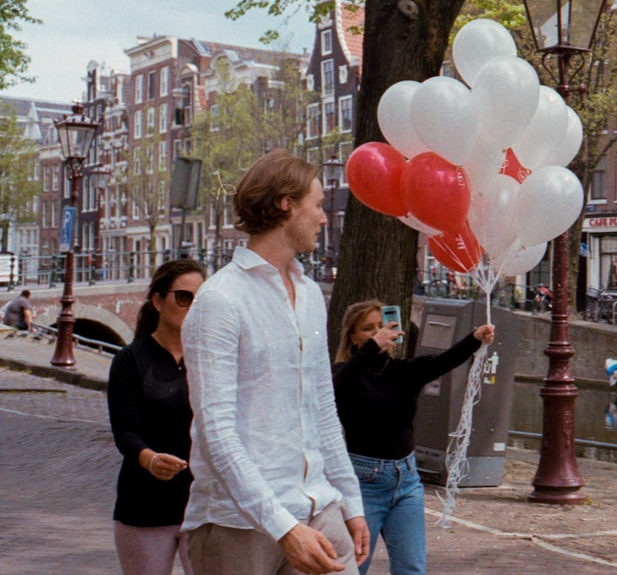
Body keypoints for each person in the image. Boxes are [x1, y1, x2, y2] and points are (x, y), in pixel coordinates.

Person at [181, 149, 369, 575]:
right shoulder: (220, 300)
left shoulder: (308, 296)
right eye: (318, 206)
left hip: (318, 509)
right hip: (237, 525)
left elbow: (322, 408)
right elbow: (216, 430)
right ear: (287, 204)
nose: (324, 219)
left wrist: (351, 500)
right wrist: (282, 527)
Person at [332, 300, 495, 574]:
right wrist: (372, 348)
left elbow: (444, 361)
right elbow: (334, 390)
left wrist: (475, 339)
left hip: (406, 481)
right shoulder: (344, 373)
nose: (377, 333)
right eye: (367, 329)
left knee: (412, 568)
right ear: (352, 337)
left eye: (381, 326)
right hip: (363, 483)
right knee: (352, 567)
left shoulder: (403, 371)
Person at [107, 259, 207, 575]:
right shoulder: (130, 360)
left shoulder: (212, 357)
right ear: (158, 301)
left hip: (204, 502)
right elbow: (125, 430)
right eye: (183, 297)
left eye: (200, 299)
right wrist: (149, 459)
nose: (191, 306)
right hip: (146, 501)